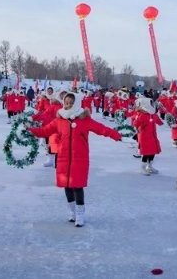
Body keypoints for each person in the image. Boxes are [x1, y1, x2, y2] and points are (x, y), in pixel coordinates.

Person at [29, 93, 121, 227]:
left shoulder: (85, 120)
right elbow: (44, 131)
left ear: (76, 103)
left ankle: (80, 214)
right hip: (63, 159)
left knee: (77, 187)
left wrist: (116, 135)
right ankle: (72, 212)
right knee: (66, 186)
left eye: (71, 102)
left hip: (79, 159)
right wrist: (30, 130)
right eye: (66, 102)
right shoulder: (59, 120)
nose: (68, 104)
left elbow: (101, 129)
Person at [133, 97, 163, 175]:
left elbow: (158, 121)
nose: (152, 105)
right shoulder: (142, 115)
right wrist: (135, 128)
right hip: (144, 137)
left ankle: (149, 166)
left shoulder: (152, 115)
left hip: (152, 136)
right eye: (151, 104)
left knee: (153, 151)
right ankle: (143, 167)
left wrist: (163, 122)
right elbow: (135, 124)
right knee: (146, 153)